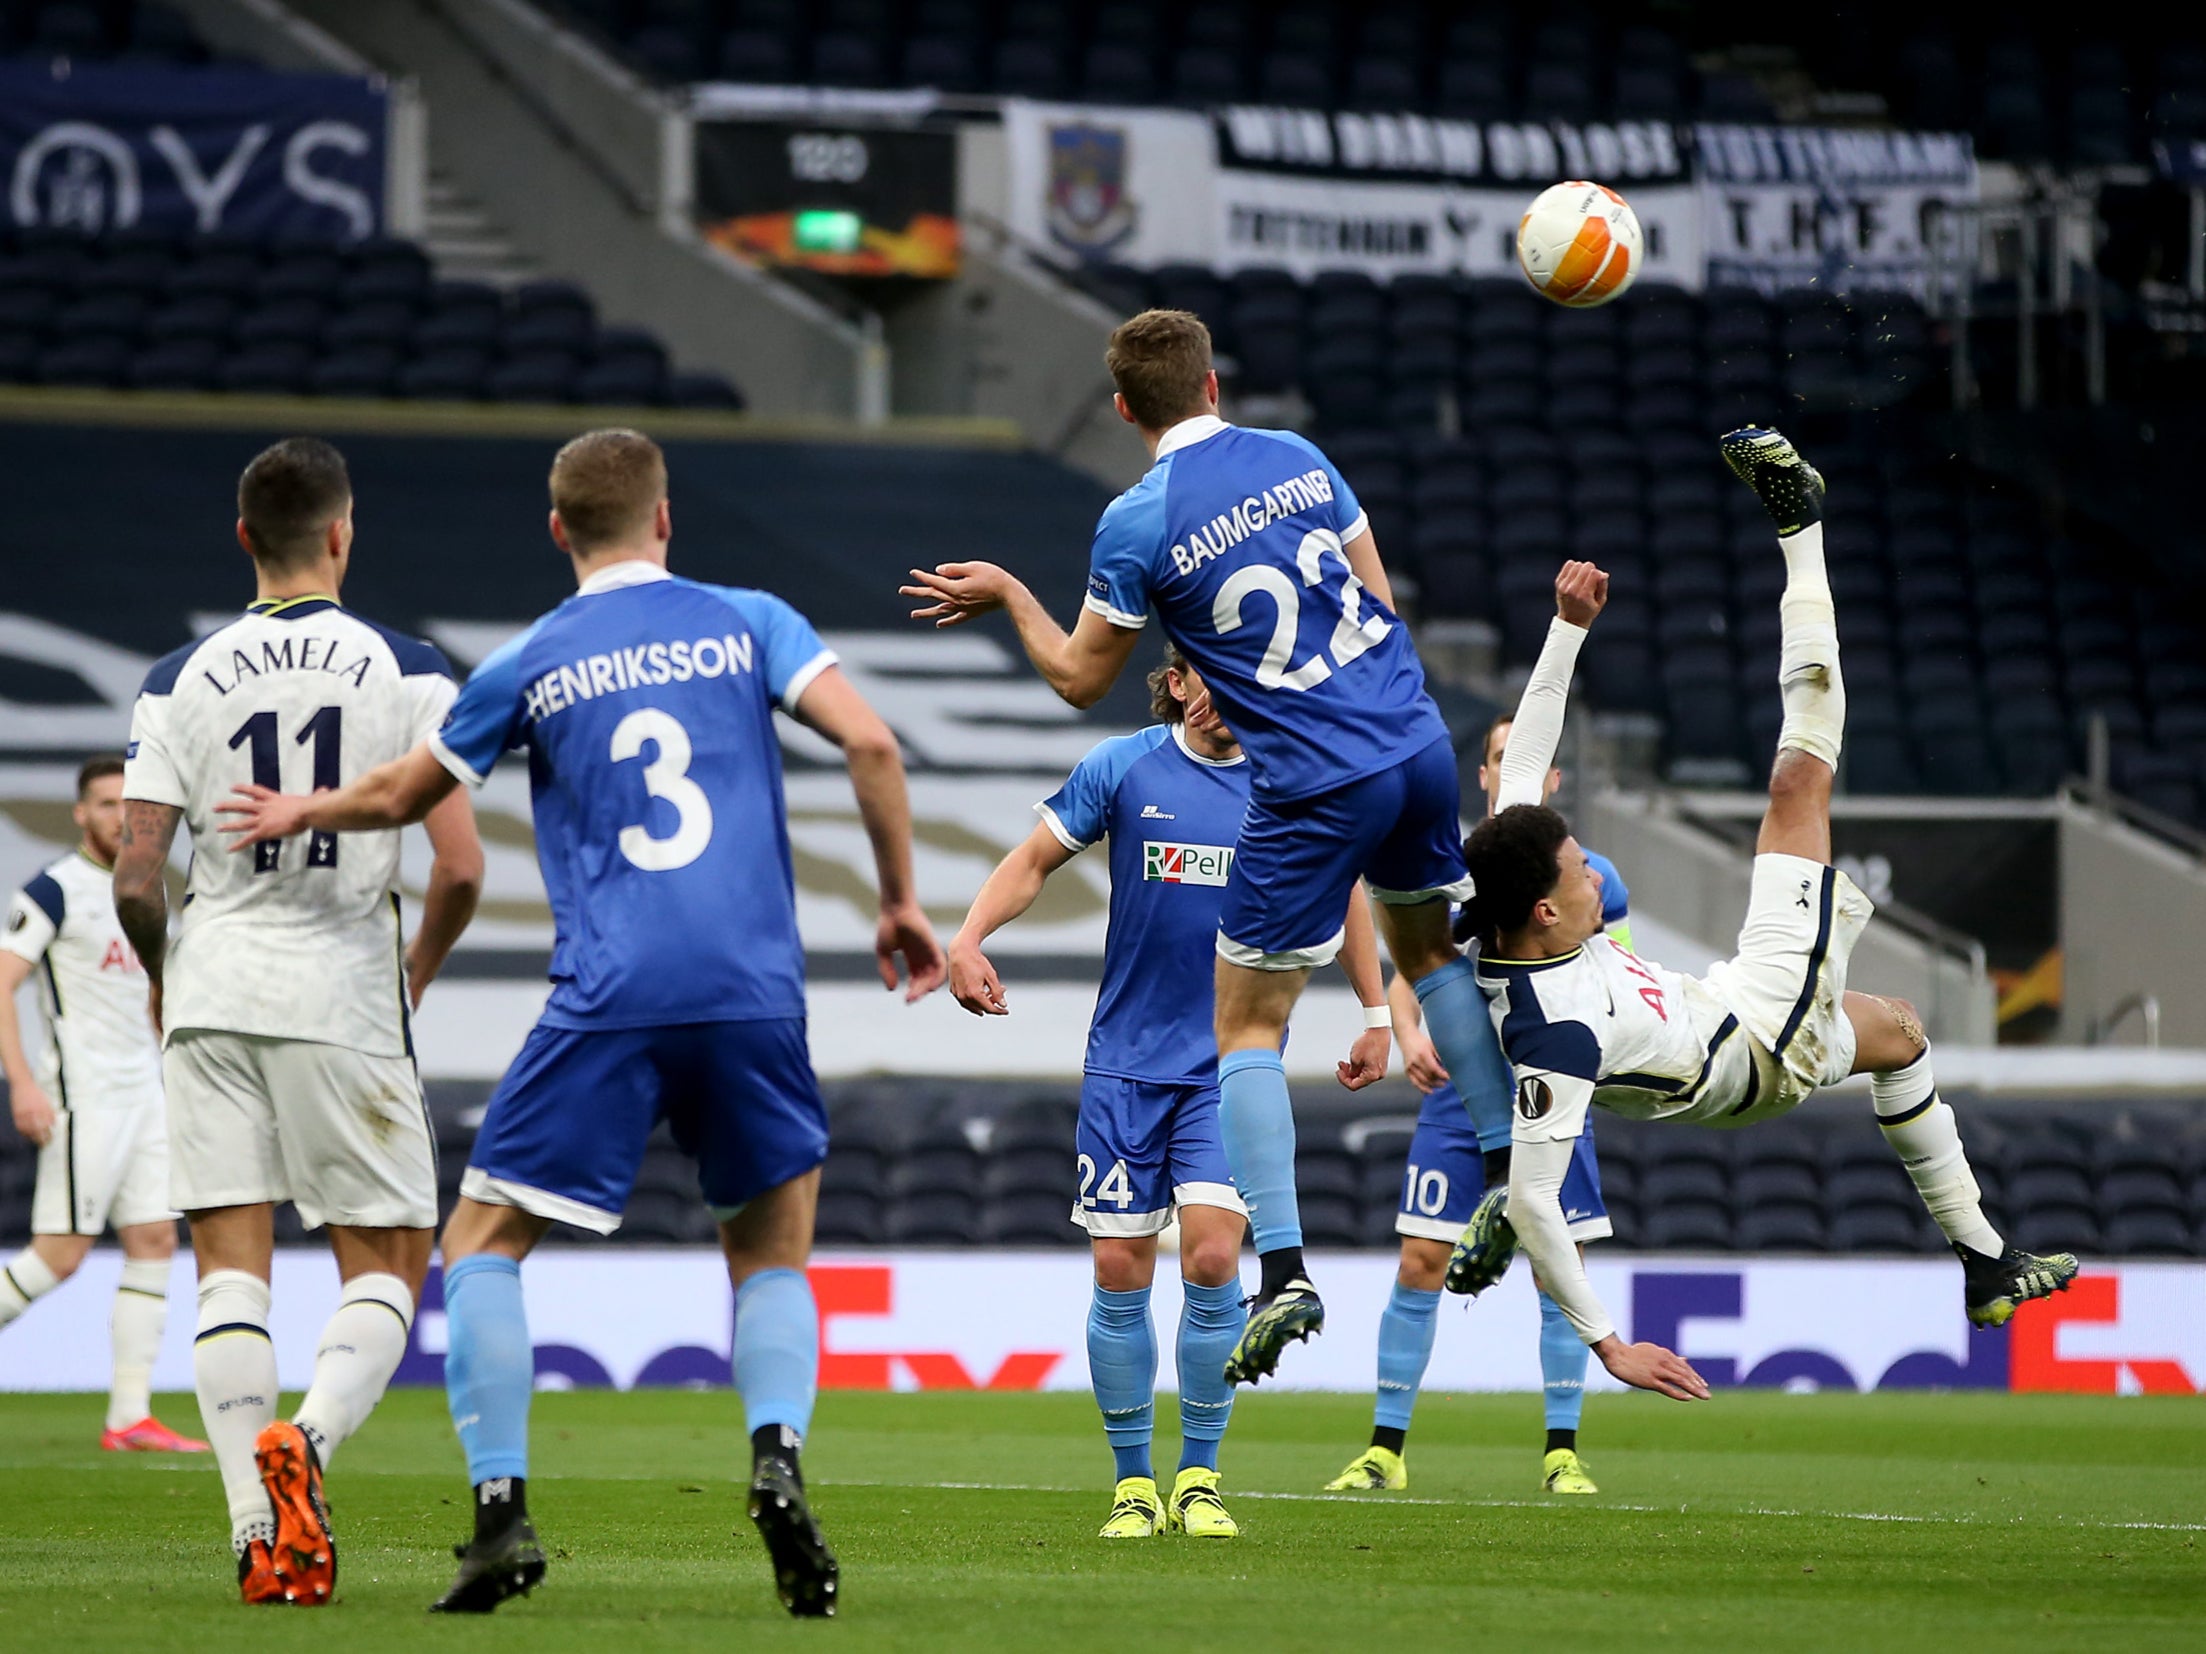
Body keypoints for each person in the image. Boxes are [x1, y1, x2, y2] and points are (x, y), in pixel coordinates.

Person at [216, 428, 943, 1619]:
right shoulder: (750, 619)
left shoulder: (531, 658)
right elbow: (867, 740)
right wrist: (901, 900)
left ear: (558, 530)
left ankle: (500, 1512)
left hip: (609, 991)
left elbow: (405, 794)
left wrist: (304, 804)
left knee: (483, 1243)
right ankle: (776, 1458)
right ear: (666, 520)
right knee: (768, 1254)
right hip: (753, 990)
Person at [907, 308, 1511, 1387]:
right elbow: (1373, 599)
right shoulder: (1298, 456)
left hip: (1314, 776)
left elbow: (1079, 679)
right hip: (1413, 733)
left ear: (1124, 409)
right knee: (1434, 955)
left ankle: (1285, 1270)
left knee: (1246, 1025)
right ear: (1216, 385)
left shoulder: (1136, 521)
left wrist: (1006, 593)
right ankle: (1506, 1169)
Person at [1450, 431, 2078, 1405]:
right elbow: (1534, 1199)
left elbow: (1523, 765)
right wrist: (1608, 1344)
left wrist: (1566, 628)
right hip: (1751, 1045)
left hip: (1728, 1009)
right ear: (1543, 910)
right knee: (1798, 783)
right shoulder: (1556, 1030)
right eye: (1579, 873)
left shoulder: (1503, 898)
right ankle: (1800, 521)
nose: (1593, 877)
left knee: (1900, 1033)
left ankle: (1987, 1259)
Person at [111, 437, 485, 1605]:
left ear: (241, 539)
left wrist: (171, 972)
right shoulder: (408, 667)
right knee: (389, 1258)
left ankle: (248, 1533)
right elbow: (461, 868)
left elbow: (134, 874)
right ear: (341, 533)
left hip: (213, 985)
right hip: (343, 990)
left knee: (230, 1272)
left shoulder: (176, 676)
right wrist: (417, 967)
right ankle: (307, 1445)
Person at [949, 645, 1389, 1540]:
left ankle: (1199, 1476)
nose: (1215, 699)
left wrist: (1378, 1011)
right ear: (1178, 680)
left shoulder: (1290, 780)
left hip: (1233, 1063)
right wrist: (968, 937)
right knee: (1119, 1272)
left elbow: (1343, 892)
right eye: (1200, 679)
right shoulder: (1123, 766)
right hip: (1124, 1063)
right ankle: (1131, 1483)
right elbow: (1035, 858)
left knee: (1216, 1262)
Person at [1328, 715, 1626, 1497]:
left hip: (1548, 1096)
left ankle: (1561, 1450)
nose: (1509, 769)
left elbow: (1609, 977)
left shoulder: (1591, 878)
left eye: (1525, 760)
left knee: (1558, 1269)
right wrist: (1408, 1031)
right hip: (1460, 1099)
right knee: (1420, 1261)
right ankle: (1385, 1450)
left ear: (1550, 780)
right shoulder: (1454, 868)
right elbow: (1416, 962)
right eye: (1497, 758)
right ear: (1485, 774)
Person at [0, 754, 206, 1456]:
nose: (121, 814)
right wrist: (24, 1083)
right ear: (81, 813)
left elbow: (155, 992)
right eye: (105, 802)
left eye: (130, 802)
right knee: (58, 1257)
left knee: (154, 1240)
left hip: (145, 1093)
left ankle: (128, 1417)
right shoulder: (54, 889)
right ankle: (127, 1416)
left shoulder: (145, 889)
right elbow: (3, 983)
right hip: (83, 1097)